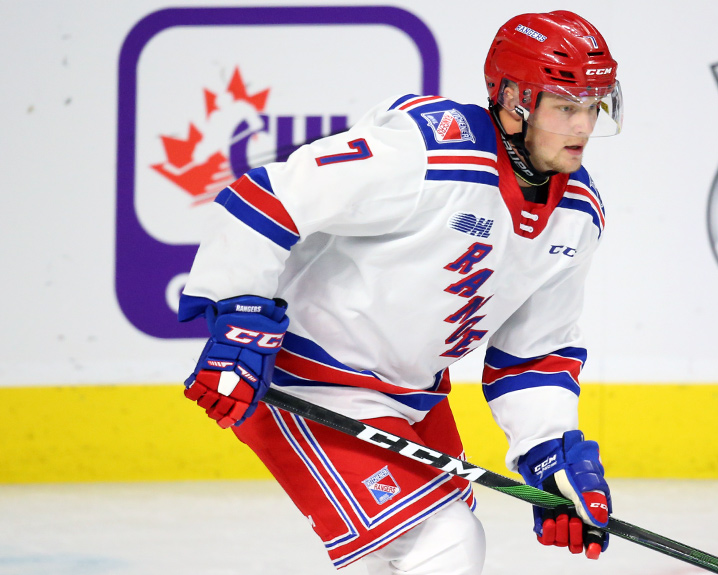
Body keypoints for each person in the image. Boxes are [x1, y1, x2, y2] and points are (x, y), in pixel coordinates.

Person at [177, 10, 623, 575]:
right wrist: (237, 313)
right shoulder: (430, 152)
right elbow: (270, 197)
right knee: (443, 543)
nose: (583, 126)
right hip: (309, 380)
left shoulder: (578, 213)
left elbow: (533, 356)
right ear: (513, 99)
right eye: (565, 106)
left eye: (592, 105)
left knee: (396, 559)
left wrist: (550, 448)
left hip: (414, 399)